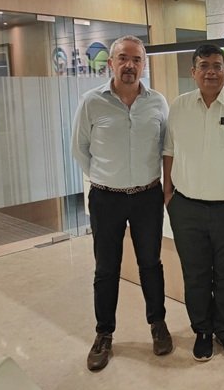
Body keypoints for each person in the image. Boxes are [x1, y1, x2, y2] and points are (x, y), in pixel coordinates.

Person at [71, 35, 172, 372]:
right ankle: (104, 334)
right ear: (111, 63)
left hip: (147, 197)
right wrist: (104, 176)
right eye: (123, 58)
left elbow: (166, 147)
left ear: (144, 64)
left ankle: (157, 324)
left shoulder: (157, 102)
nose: (130, 65)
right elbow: (79, 148)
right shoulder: (91, 102)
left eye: (137, 59)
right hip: (106, 198)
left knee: (151, 264)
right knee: (106, 268)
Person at [162, 44, 224, 362]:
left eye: (217, 66)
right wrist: (168, 194)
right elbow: (169, 150)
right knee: (196, 273)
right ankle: (202, 330)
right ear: (193, 71)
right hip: (187, 208)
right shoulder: (179, 106)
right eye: (204, 65)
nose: (211, 71)